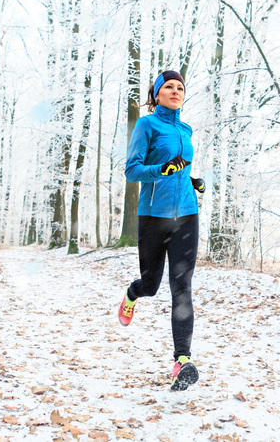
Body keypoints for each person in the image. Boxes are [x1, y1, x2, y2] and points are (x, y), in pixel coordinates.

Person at [117, 70, 205, 391]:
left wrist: (192, 180)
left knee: (181, 286)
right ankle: (132, 293)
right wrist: (160, 170)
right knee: (152, 284)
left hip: (186, 215)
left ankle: (181, 360)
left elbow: (182, 166)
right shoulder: (146, 125)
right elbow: (132, 170)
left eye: (180, 87)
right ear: (156, 94)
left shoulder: (185, 128)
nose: (175, 91)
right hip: (153, 216)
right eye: (168, 86)